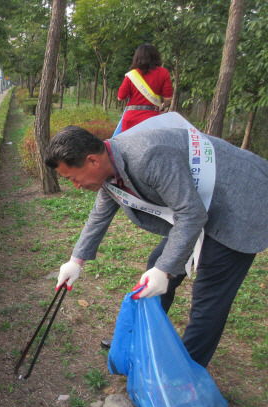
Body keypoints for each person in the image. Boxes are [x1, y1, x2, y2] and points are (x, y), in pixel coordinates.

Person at [49, 125, 268, 368]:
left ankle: (185, 376)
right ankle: (140, 339)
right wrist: (76, 260)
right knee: (156, 264)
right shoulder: (110, 164)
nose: (76, 186)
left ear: (91, 161)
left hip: (239, 204)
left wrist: (165, 270)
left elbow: (191, 215)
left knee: (208, 296)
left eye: (72, 178)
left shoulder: (148, 156)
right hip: (199, 206)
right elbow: (100, 215)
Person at [117, 43, 173, 131]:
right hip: (152, 119)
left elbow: (120, 97)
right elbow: (168, 98)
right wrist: (163, 106)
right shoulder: (163, 72)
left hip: (131, 119)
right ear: (156, 56)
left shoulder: (132, 75)